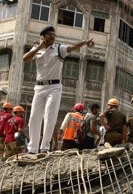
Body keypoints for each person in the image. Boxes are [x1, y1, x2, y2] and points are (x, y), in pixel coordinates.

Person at [22, 25, 94, 155]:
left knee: (50, 116)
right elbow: (25, 58)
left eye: (53, 37)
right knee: (34, 117)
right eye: (49, 37)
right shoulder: (36, 49)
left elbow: (72, 47)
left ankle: (44, 147)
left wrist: (84, 42)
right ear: (43, 38)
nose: (52, 40)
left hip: (54, 87)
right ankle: (32, 149)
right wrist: (39, 47)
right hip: (39, 87)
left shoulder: (59, 49)